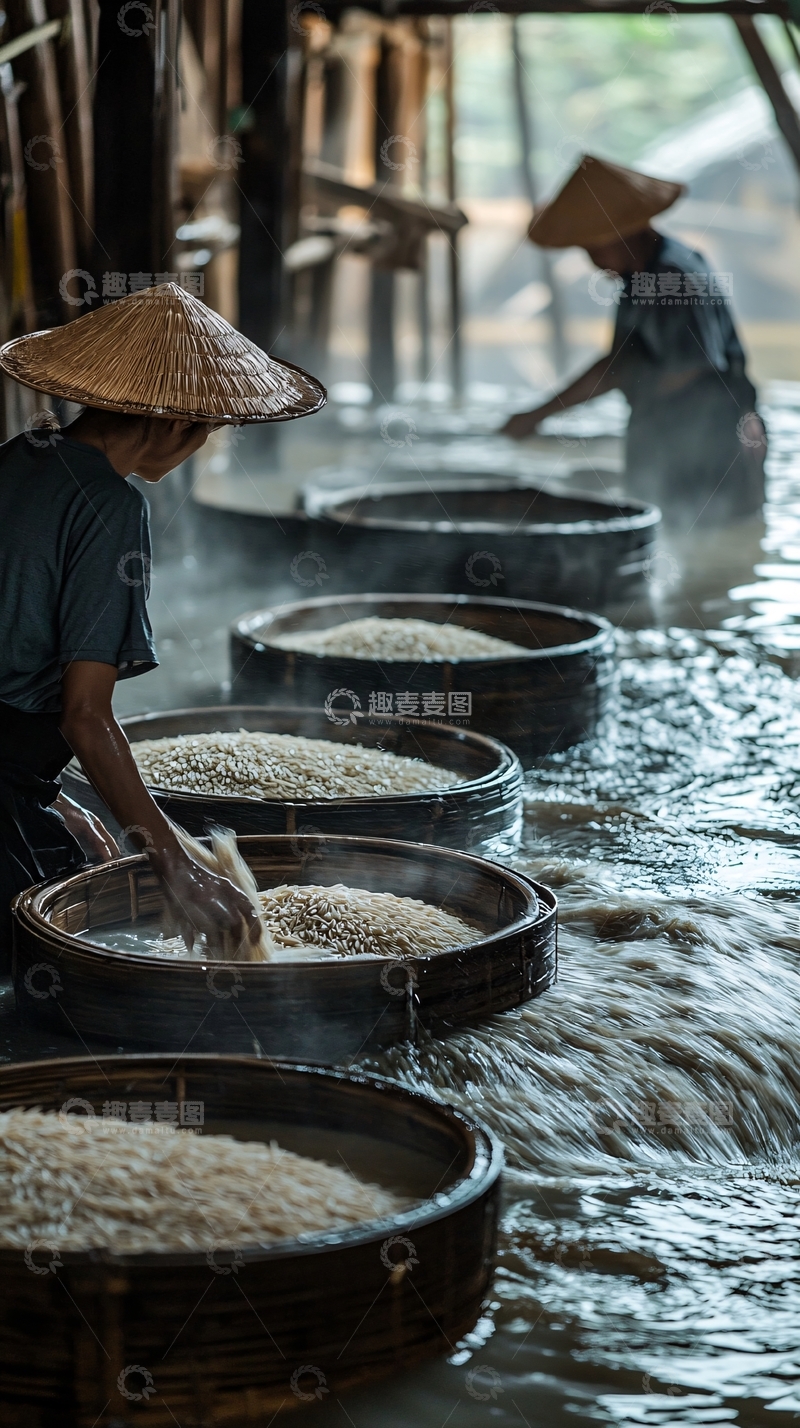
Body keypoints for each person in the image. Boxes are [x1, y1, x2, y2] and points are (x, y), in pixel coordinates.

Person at [0, 281, 325, 966]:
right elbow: (85, 716)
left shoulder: (16, 459)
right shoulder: (110, 505)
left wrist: (54, 800)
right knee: (52, 966)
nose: (201, 445)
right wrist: (177, 868)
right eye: (208, 430)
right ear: (176, 422)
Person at [503, 155, 766, 527]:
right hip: (672, 441)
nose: (593, 261)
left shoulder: (673, 278)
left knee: (709, 536)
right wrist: (542, 414)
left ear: (625, 232)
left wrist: (541, 414)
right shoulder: (640, 278)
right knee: (666, 533)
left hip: (706, 443)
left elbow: (683, 369)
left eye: (595, 247)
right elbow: (619, 362)